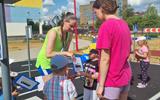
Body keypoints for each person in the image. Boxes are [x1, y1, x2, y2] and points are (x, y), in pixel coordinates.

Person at [93, 0, 132, 100]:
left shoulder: (106, 26)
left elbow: (105, 59)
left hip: (112, 79)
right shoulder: (124, 24)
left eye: (95, 12)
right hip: (125, 76)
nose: (96, 15)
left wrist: (101, 85)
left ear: (102, 9)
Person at [35, 12, 77, 83]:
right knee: (50, 88)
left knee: (61, 83)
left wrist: (66, 66)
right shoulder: (53, 32)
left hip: (55, 63)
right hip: (45, 63)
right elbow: (48, 54)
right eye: (71, 26)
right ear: (64, 22)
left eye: (74, 26)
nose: (72, 29)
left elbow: (65, 51)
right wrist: (66, 53)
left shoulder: (69, 34)